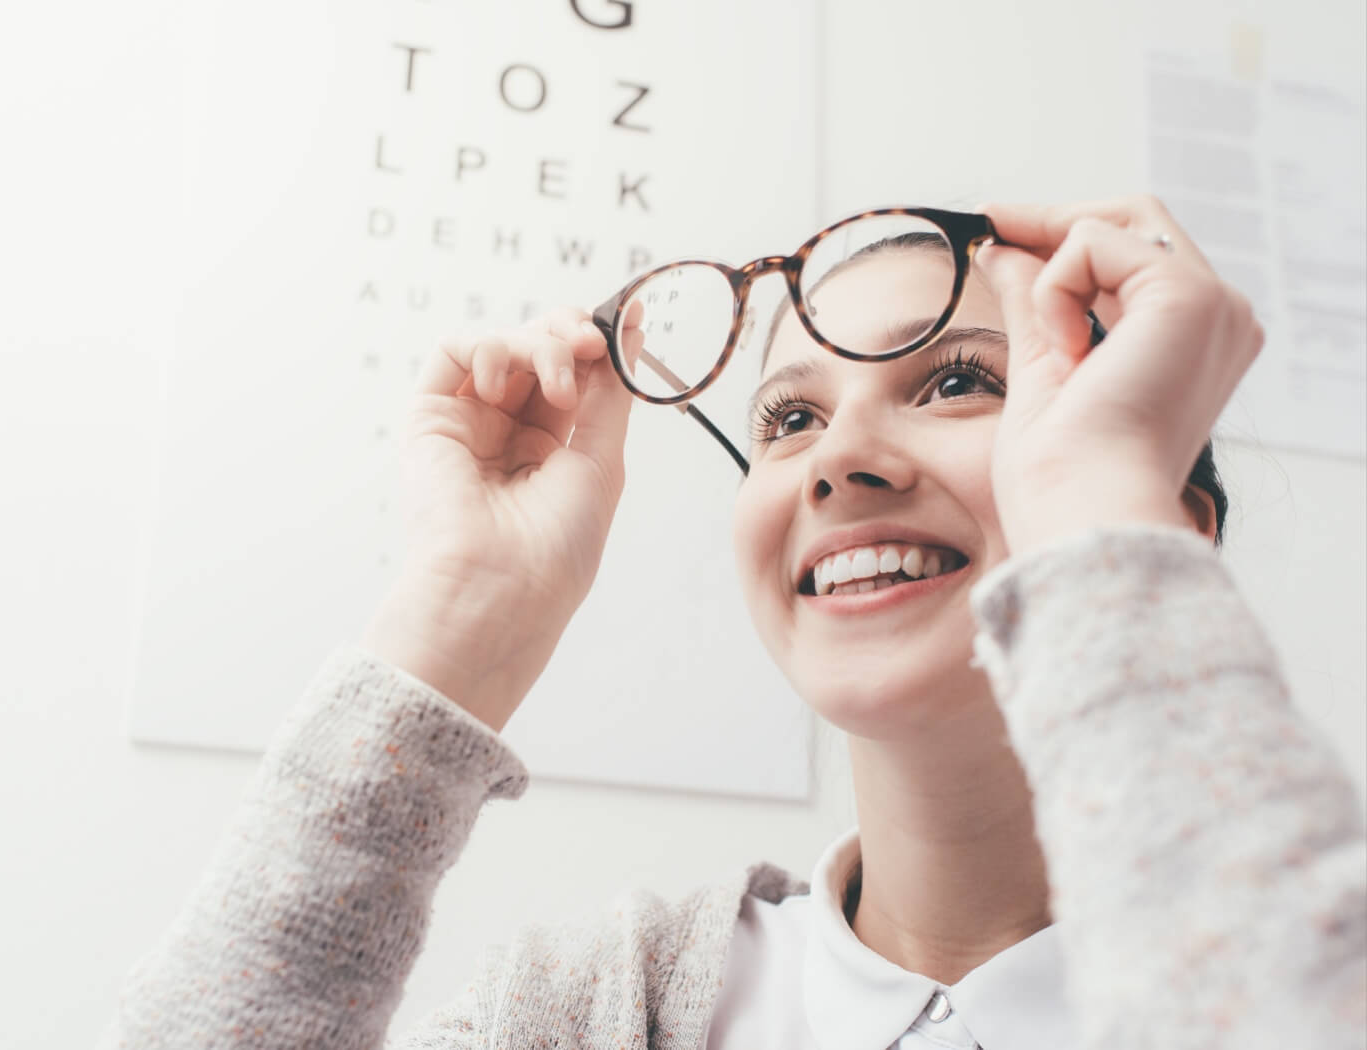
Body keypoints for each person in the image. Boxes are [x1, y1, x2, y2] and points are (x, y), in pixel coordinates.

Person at [99, 197, 1366, 1049]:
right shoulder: (596, 1007)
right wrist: (463, 615)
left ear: (1164, 522)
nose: (838, 461)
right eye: (788, 422)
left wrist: (1102, 519)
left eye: (960, 380)